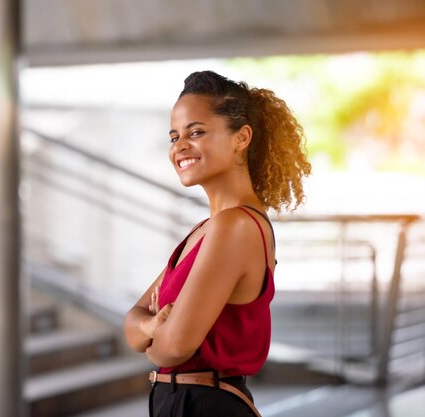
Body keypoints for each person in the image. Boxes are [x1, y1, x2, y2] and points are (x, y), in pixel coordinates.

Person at [123, 70, 311, 417]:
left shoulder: (235, 225)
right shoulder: (206, 230)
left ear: (241, 139)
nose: (180, 146)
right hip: (183, 401)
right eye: (174, 136)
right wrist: (151, 328)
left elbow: (172, 349)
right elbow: (132, 326)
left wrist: (154, 342)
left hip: (205, 404)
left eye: (196, 132)